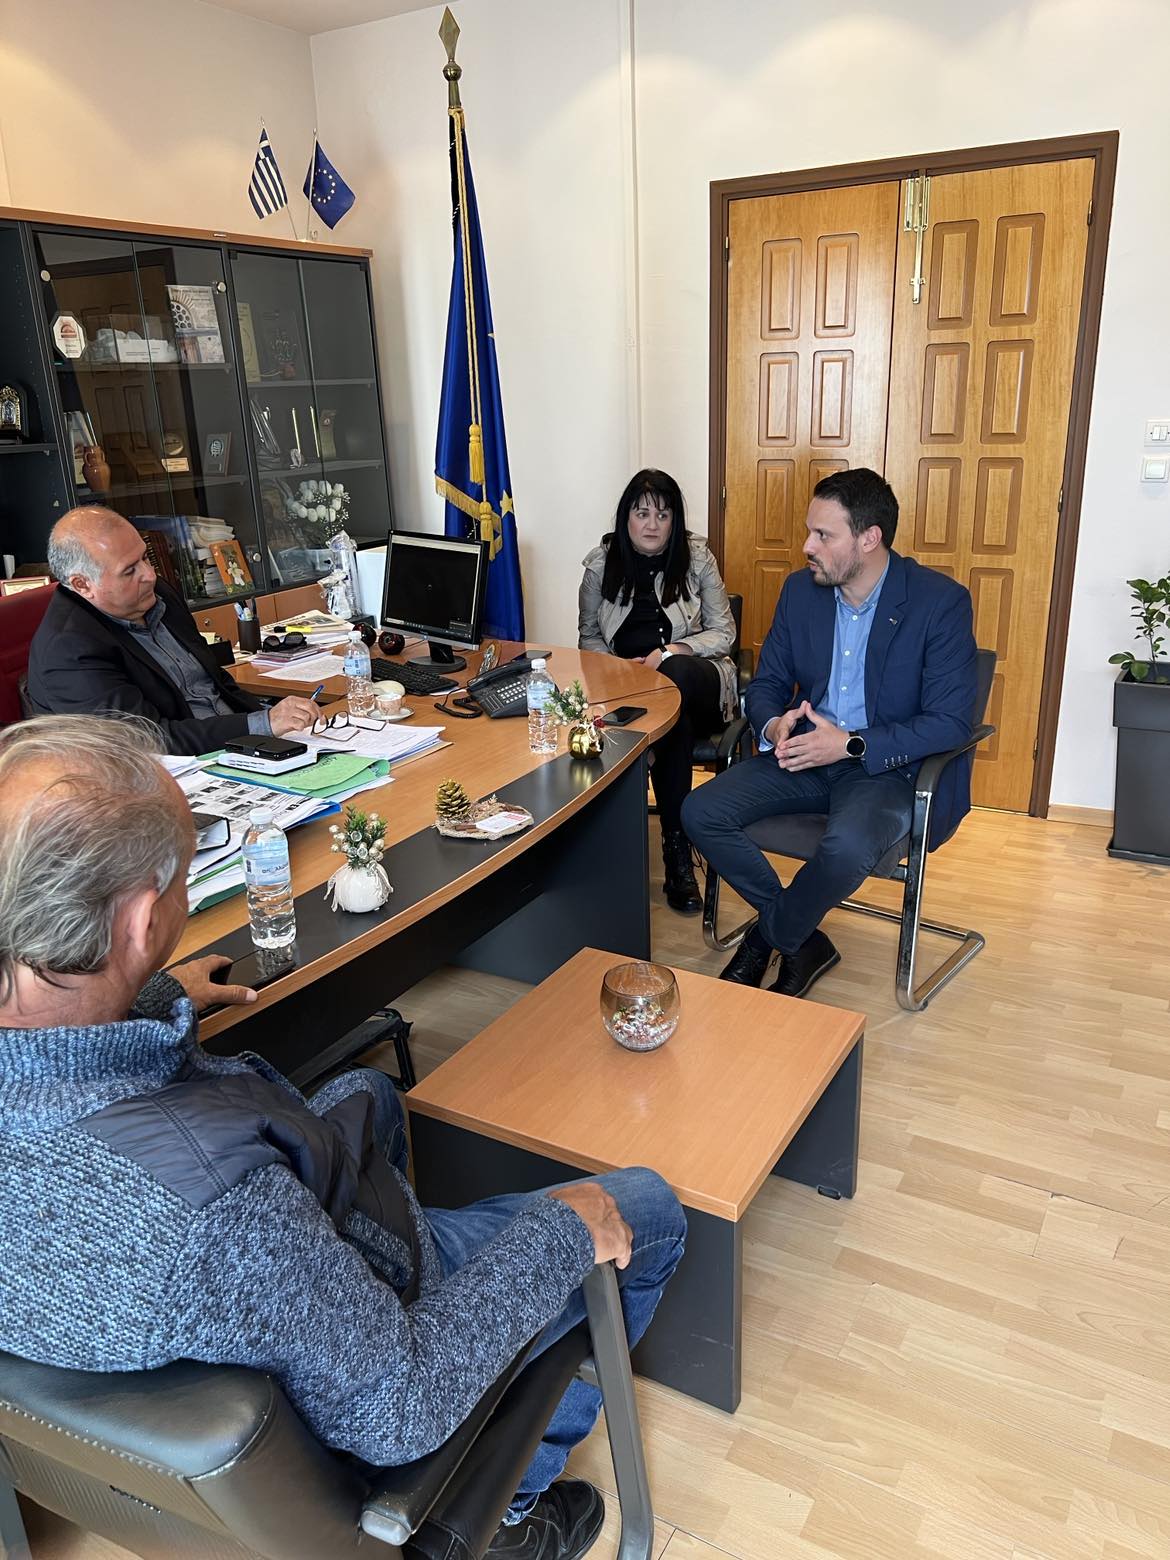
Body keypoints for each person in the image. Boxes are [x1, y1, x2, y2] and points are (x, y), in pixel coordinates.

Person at [0, 715, 685, 1560]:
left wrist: (142, 994)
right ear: (141, 921)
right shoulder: (220, 1218)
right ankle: (514, 1510)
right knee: (643, 1208)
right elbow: (399, 1405)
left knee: (371, 1096)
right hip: (365, 1362)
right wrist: (563, 1229)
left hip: (210, 1312)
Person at [682, 467, 978, 999]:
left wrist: (850, 744)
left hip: (884, 769)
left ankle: (768, 939)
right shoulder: (802, 592)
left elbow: (951, 721)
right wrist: (774, 722)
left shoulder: (939, 603)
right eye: (809, 531)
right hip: (803, 753)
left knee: (846, 848)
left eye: (823, 534)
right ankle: (803, 939)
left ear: (869, 538)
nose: (807, 547)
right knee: (700, 811)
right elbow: (768, 683)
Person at [27, 506, 318, 755]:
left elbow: (216, 682)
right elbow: (147, 740)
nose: (150, 575)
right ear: (82, 585)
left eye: (145, 558)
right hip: (179, 768)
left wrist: (271, 719)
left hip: (239, 743)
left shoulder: (157, 595)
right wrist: (263, 724)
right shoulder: (69, 648)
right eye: (129, 570)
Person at [579, 469, 738, 914]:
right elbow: (589, 638)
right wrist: (620, 670)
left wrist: (670, 652)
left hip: (701, 682)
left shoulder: (698, 558)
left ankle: (647, 764)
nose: (652, 524)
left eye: (663, 515)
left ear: (675, 520)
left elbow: (724, 632)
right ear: (626, 517)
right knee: (673, 722)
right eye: (642, 513)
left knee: (676, 677)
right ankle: (676, 851)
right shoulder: (600, 566)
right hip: (632, 694)